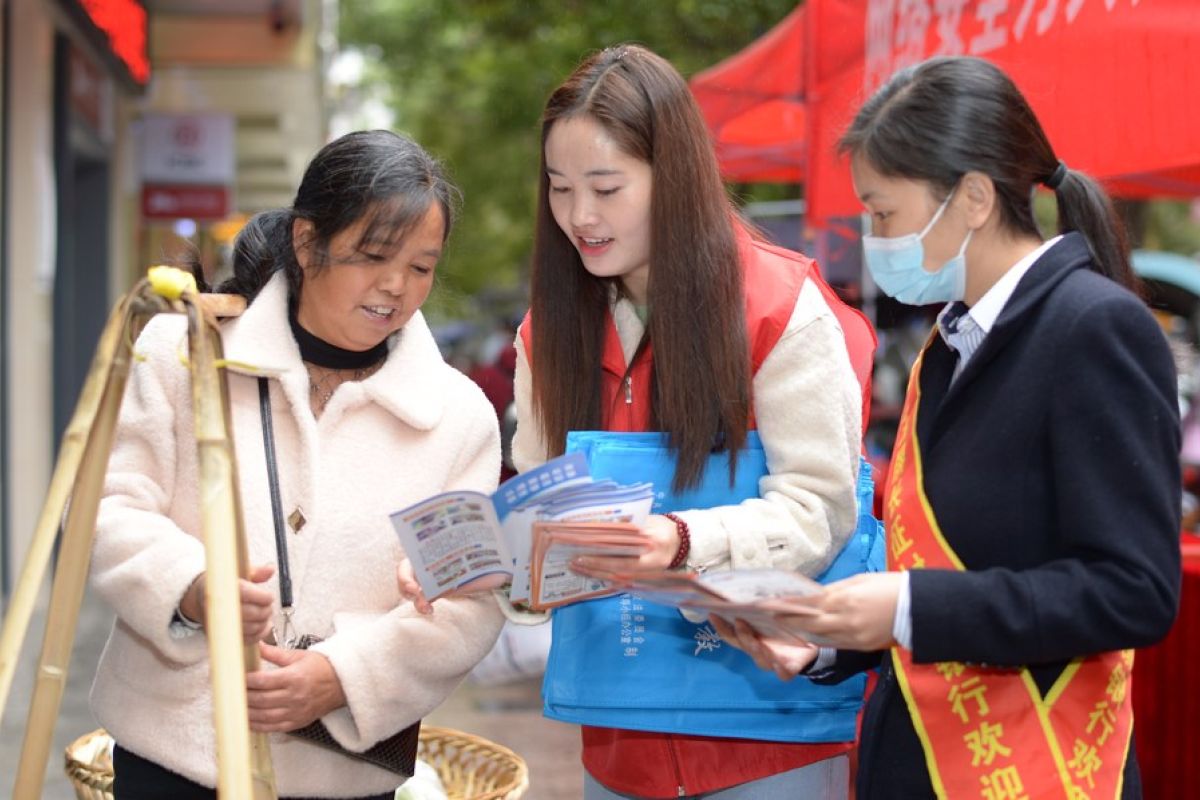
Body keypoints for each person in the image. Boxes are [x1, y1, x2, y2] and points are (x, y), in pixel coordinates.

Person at [714, 56, 1182, 800]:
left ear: (971, 197)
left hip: (1041, 766)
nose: (875, 236)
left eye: (884, 213)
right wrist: (829, 643)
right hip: (920, 758)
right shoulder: (949, 348)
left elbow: (1131, 591)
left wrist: (905, 605)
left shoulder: (1094, 329)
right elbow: (955, 564)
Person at [89, 130, 505, 799]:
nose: (396, 287)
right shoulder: (185, 354)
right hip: (171, 758)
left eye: (422, 267)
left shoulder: (459, 419)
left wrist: (342, 677)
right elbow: (110, 510)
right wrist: (194, 588)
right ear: (309, 244)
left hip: (340, 774)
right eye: (373, 256)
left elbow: (469, 603)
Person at [515, 44, 869, 800]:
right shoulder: (544, 333)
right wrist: (488, 565)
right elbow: (539, 511)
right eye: (560, 188)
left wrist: (680, 542)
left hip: (771, 743)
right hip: (615, 742)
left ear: (671, 177)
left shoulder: (779, 307)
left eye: (606, 188)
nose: (581, 216)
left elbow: (820, 509)